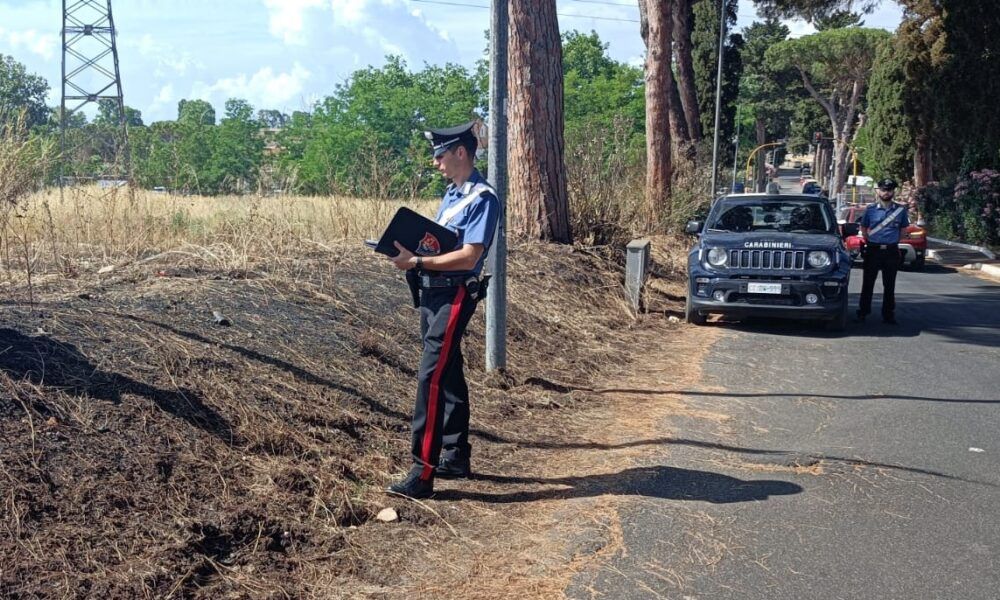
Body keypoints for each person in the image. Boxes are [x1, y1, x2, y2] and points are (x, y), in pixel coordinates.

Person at [384, 121, 500, 499]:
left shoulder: (482, 198)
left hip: (454, 294)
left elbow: (470, 255)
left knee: (430, 377)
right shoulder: (454, 195)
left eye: (440, 154)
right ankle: (455, 453)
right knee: (447, 371)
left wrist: (417, 262)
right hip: (433, 293)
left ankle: (423, 470)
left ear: (461, 153)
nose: (436, 163)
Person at [857, 178, 909, 325]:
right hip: (873, 250)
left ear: (894, 192)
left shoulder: (900, 210)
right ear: (878, 190)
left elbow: (903, 230)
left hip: (891, 251)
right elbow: (864, 228)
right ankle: (863, 312)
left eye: (890, 190)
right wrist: (870, 242)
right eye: (884, 189)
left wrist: (892, 242)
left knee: (889, 284)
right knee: (868, 283)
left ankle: (888, 315)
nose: (886, 193)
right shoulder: (870, 210)